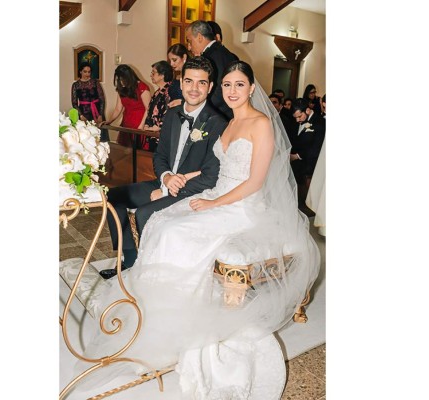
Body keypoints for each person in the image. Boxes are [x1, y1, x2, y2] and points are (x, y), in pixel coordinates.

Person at [72, 60, 320, 399]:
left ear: (251, 88)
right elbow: (216, 171)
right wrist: (189, 185)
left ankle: (177, 322)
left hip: (244, 206)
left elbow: (255, 182)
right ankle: (152, 308)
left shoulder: (260, 124)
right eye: (228, 85)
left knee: (177, 233)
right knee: (161, 222)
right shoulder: (231, 123)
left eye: (239, 85)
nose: (232, 91)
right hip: (217, 194)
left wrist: (214, 204)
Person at [99, 56, 228, 279]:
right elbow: (159, 156)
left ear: (211, 87)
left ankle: (150, 272)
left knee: (145, 212)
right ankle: (130, 261)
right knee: (113, 197)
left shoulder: (219, 123)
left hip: (193, 191)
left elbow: (211, 176)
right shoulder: (172, 115)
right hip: (166, 181)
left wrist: (169, 190)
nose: (194, 89)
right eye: (189, 81)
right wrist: (166, 177)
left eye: (201, 83)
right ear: (180, 82)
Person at [185, 19, 239, 121]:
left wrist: (196, 106)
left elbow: (219, 90)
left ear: (200, 37)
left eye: (189, 41)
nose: (189, 47)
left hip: (218, 116)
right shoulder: (224, 52)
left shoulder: (211, 57)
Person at [289, 98, 325, 216]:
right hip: (299, 166)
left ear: (308, 110)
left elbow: (317, 147)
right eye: (295, 117)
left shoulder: (320, 122)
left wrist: (297, 156)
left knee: (310, 195)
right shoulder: (298, 121)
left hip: (311, 165)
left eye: (299, 116)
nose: (297, 120)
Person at [104, 64, 151, 149]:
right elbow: (118, 109)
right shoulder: (121, 89)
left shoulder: (142, 87)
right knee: (125, 152)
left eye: (122, 79)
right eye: (119, 80)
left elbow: (148, 109)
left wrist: (141, 126)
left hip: (139, 121)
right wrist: (109, 121)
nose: (121, 82)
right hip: (127, 122)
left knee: (138, 151)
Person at [71, 62, 107, 141]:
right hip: (84, 113)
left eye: (89, 72)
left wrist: (101, 114)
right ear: (80, 71)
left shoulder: (95, 82)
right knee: (86, 138)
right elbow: (74, 103)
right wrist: (80, 115)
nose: (87, 74)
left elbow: (102, 99)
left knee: (100, 137)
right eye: (85, 71)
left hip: (97, 111)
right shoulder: (76, 85)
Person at [143, 60, 173, 151]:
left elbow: (169, 111)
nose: (151, 75)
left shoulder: (170, 90)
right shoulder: (157, 92)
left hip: (163, 136)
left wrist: (158, 126)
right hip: (152, 134)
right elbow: (150, 110)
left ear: (162, 75)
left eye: (153, 72)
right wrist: (147, 125)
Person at [166, 43, 188, 108]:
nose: (171, 64)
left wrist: (182, 102)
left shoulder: (191, 76)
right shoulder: (177, 76)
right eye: (170, 60)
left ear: (184, 57)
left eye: (174, 60)